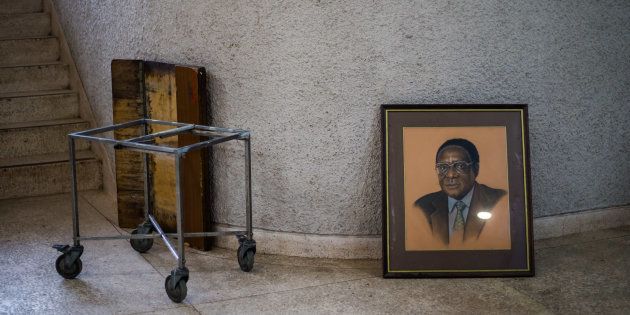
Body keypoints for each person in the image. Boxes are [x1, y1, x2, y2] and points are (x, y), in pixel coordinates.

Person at [414, 138, 507, 246]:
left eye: (460, 166)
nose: (450, 175)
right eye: (443, 167)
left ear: (476, 169)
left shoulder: (500, 201)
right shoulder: (422, 206)